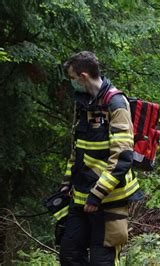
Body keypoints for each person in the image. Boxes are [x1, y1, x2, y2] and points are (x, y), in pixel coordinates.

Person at [59, 51, 141, 265]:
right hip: (80, 195)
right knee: (69, 254)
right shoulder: (83, 104)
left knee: (102, 259)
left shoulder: (116, 103)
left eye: (72, 77)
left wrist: (97, 195)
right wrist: (66, 184)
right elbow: (77, 151)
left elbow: (122, 155)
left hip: (109, 198)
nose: (72, 83)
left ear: (83, 76)